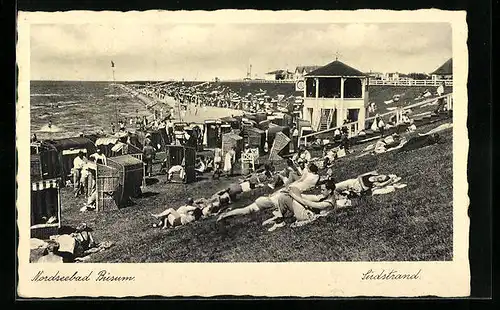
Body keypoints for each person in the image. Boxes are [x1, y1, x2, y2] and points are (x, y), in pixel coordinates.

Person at [264, 180, 338, 230]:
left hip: (307, 216)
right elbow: (310, 197)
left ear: (330, 191)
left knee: (296, 201)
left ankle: (280, 221)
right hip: (307, 211)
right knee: (283, 197)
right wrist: (292, 192)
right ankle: (280, 218)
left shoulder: (328, 203)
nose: (321, 192)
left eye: (323, 190)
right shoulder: (326, 196)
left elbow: (309, 203)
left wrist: (294, 195)